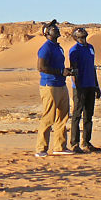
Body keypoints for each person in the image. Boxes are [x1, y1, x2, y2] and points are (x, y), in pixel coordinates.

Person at [36, 20, 73, 157]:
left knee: (63, 116)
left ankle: (60, 146)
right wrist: (59, 71)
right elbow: (41, 67)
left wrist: (65, 71)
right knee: (49, 117)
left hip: (61, 85)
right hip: (50, 86)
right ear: (47, 33)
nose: (57, 29)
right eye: (53, 28)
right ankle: (41, 148)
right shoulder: (46, 48)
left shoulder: (58, 47)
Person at [67, 27, 101, 153]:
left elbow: (92, 67)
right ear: (76, 38)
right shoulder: (74, 50)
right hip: (80, 87)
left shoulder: (91, 48)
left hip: (90, 85)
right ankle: (74, 144)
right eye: (80, 37)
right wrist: (77, 87)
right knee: (77, 115)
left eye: (85, 37)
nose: (83, 39)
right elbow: (74, 71)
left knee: (88, 115)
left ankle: (86, 142)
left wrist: (96, 85)